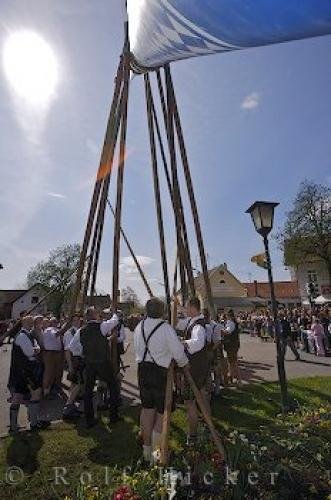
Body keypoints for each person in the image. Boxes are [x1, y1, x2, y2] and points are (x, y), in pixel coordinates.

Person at [134, 298, 188, 463]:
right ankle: (157, 454)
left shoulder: (139, 326)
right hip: (160, 373)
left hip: (143, 370)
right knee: (162, 412)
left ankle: (146, 451)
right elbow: (178, 352)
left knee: (147, 409)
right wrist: (185, 364)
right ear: (162, 312)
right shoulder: (165, 328)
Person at [78, 307, 120, 427]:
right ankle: (113, 416)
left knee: (88, 390)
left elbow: (84, 345)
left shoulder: (82, 330)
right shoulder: (101, 326)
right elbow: (115, 320)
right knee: (113, 386)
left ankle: (89, 419)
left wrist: (107, 340)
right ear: (95, 315)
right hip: (102, 362)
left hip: (89, 363)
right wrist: (113, 312)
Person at [176, 297, 210, 443]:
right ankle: (208, 425)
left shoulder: (198, 326)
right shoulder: (193, 320)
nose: (185, 309)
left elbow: (197, 343)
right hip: (200, 367)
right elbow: (180, 323)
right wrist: (176, 308)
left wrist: (182, 343)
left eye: (187, 307)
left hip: (194, 368)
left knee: (190, 402)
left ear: (193, 307)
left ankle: (193, 434)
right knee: (202, 397)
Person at [7, 316, 50, 432]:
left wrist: (36, 349)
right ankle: (32, 423)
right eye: (31, 320)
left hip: (23, 369)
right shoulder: (22, 336)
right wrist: (35, 349)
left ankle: (16, 426)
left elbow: (37, 347)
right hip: (24, 370)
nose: (33, 322)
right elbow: (30, 351)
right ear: (25, 322)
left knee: (18, 396)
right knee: (34, 393)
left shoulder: (28, 334)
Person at [62, 315, 83, 419]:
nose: (77, 321)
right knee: (78, 383)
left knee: (74, 383)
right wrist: (70, 365)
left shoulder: (79, 330)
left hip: (79, 360)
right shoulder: (69, 333)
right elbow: (67, 350)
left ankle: (71, 405)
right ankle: (68, 406)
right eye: (74, 320)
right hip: (74, 360)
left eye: (78, 320)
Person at [42, 317, 65, 397]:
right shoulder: (49, 330)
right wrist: (65, 327)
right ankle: (46, 391)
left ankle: (51, 389)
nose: (56, 322)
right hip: (50, 354)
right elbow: (56, 335)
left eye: (56, 321)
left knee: (55, 372)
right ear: (51, 323)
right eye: (54, 321)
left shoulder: (55, 329)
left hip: (56, 353)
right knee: (49, 372)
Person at [221, 310, 242, 387]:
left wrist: (220, 330)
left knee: (233, 363)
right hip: (234, 344)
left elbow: (228, 331)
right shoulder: (234, 322)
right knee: (232, 362)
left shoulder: (230, 322)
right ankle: (233, 378)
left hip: (231, 345)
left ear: (228, 315)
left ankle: (237, 380)